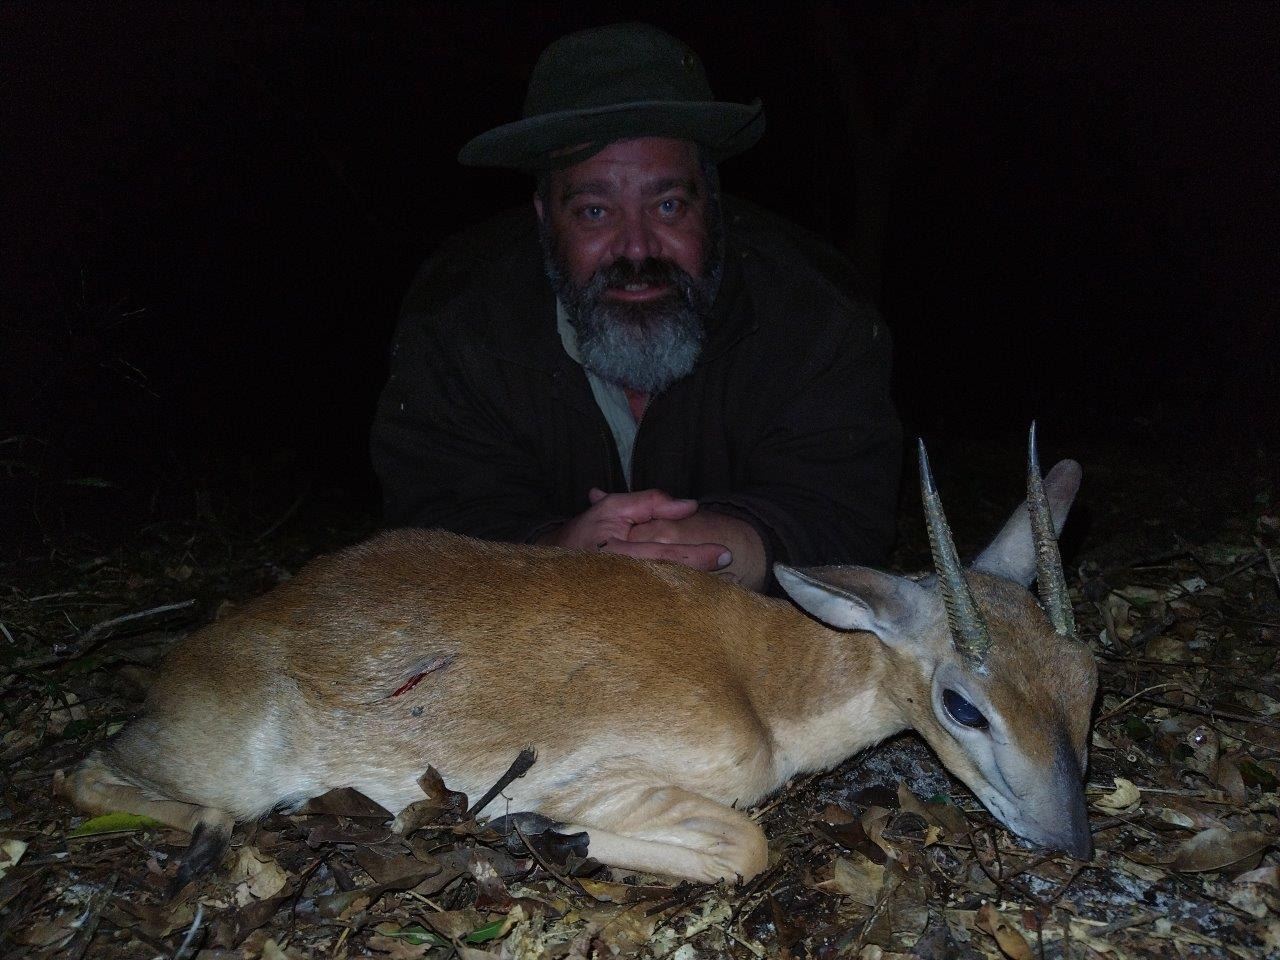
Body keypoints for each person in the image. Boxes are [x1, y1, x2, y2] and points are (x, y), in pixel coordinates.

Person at [371, 22, 901, 593]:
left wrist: (731, 550)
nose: (637, 249)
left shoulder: (815, 314)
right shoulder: (458, 320)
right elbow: (429, 519)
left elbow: (851, 510)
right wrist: (552, 557)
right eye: (594, 212)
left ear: (712, 204)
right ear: (545, 217)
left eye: (668, 205)